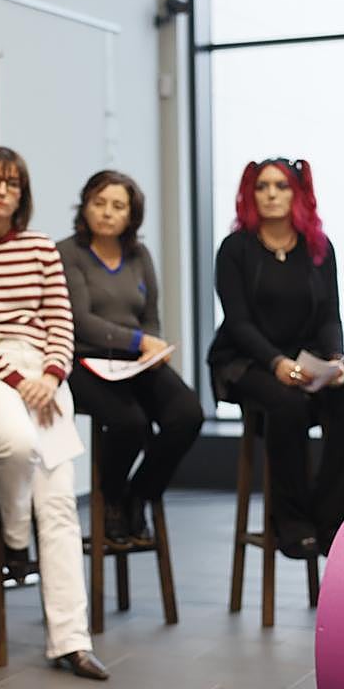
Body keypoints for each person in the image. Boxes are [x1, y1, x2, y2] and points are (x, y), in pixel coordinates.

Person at [0, 146, 108, 681]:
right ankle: (14, 539)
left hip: (43, 371)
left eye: (13, 183)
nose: (2, 190)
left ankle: (72, 641)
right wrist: (19, 382)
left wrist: (51, 376)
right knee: (17, 441)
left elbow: (61, 320)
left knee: (58, 505)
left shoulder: (39, 247)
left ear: (22, 195)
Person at [207, 158, 344, 559]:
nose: (271, 195)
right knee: (287, 403)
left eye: (281, 186)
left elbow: (330, 314)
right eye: (262, 187)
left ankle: (332, 515)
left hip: (307, 358)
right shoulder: (235, 249)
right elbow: (238, 322)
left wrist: (335, 359)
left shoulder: (318, 247)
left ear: (297, 194)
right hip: (247, 360)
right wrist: (276, 363)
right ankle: (292, 521)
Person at [57, 170, 203, 546]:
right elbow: (81, 320)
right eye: (99, 203)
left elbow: (150, 315)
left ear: (131, 215)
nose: (107, 213)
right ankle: (111, 499)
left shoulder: (139, 255)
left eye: (118, 206)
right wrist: (140, 340)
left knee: (187, 414)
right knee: (130, 424)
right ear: (84, 206)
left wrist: (152, 347)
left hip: (135, 360)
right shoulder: (67, 253)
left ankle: (140, 494)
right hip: (85, 360)